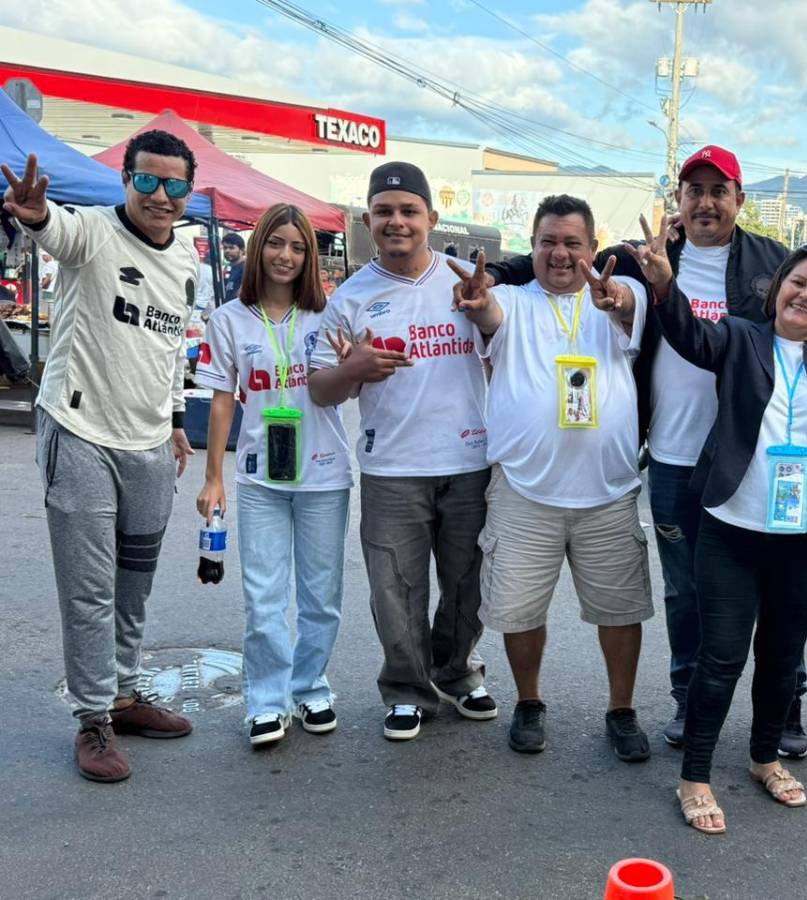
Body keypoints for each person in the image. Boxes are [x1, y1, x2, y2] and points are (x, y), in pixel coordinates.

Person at [485, 146, 807, 755]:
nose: (707, 201)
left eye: (720, 190)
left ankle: (785, 705)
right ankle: (688, 702)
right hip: (673, 454)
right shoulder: (634, 259)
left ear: (740, 200)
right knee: (685, 591)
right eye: (695, 190)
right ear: (679, 202)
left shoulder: (777, 261)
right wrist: (495, 278)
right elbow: (561, 267)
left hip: (755, 453)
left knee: (773, 586)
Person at [629, 219, 807, 834]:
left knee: (782, 658)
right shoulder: (739, 340)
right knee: (721, 658)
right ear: (777, 287)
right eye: (797, 283)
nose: (806, 296)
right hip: (730, 530)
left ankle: (763, 758)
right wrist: (665, 290)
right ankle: (695, 776)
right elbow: (687, 337)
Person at [3, 134, 199, 783]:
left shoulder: (188, 259)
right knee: (90, 591)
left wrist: (174, 422)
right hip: (80, 432)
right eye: (148, 182)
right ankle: (93, 719)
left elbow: (172, 350)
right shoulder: (92, 231)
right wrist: (33, 215)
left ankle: (123, 694)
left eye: (174, 185)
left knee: (133, 585)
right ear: (125, 181)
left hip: (148, 446)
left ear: (187, 192)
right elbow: (54, 229)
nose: (161, 197)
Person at [451, 194, 654, 761]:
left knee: (619, 610)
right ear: (533, 247)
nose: (560, 254)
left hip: (608, 491)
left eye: (572, 243)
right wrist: (476, 301)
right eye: (548, 242)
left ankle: (621, 709)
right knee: (520, 610)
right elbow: (487, 313)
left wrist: (612, 296)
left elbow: (626, 308)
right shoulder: (512, 300)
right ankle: (530, 701)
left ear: (593, 247)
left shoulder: (623, 293)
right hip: (523, 489)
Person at [308, 162, 496, 742]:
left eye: (409, 210)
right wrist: (353, 370)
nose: (397, 221)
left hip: (470, 462)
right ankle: (407, 689)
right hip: (391, 468)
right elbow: (319, 389)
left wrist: (484, 311)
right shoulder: (351, 298)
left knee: (470, 585)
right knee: (395, 590)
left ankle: (455, 669)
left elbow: (503, 343)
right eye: (385, 211)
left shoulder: (465, 283)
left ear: (431, 219)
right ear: (369, 221)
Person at [195, 204, 353, 747]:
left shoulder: (328, 316)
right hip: (261, 478)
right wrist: (212, 476)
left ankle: (310, 687)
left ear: (310, 256)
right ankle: (266, 700)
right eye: (275, 244)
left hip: (324, 477)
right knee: (263, 595)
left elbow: (348, 385)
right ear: (257, 248)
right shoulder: (228, 320)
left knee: (320, 596)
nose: (286, 256)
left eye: (298, 247)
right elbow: (221, 403)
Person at [222, 232, 246, 300]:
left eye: (231, 248)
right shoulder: (228, 267)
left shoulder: (246, 267)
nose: (227, 251)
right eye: (225, 248)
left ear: (242, 250)